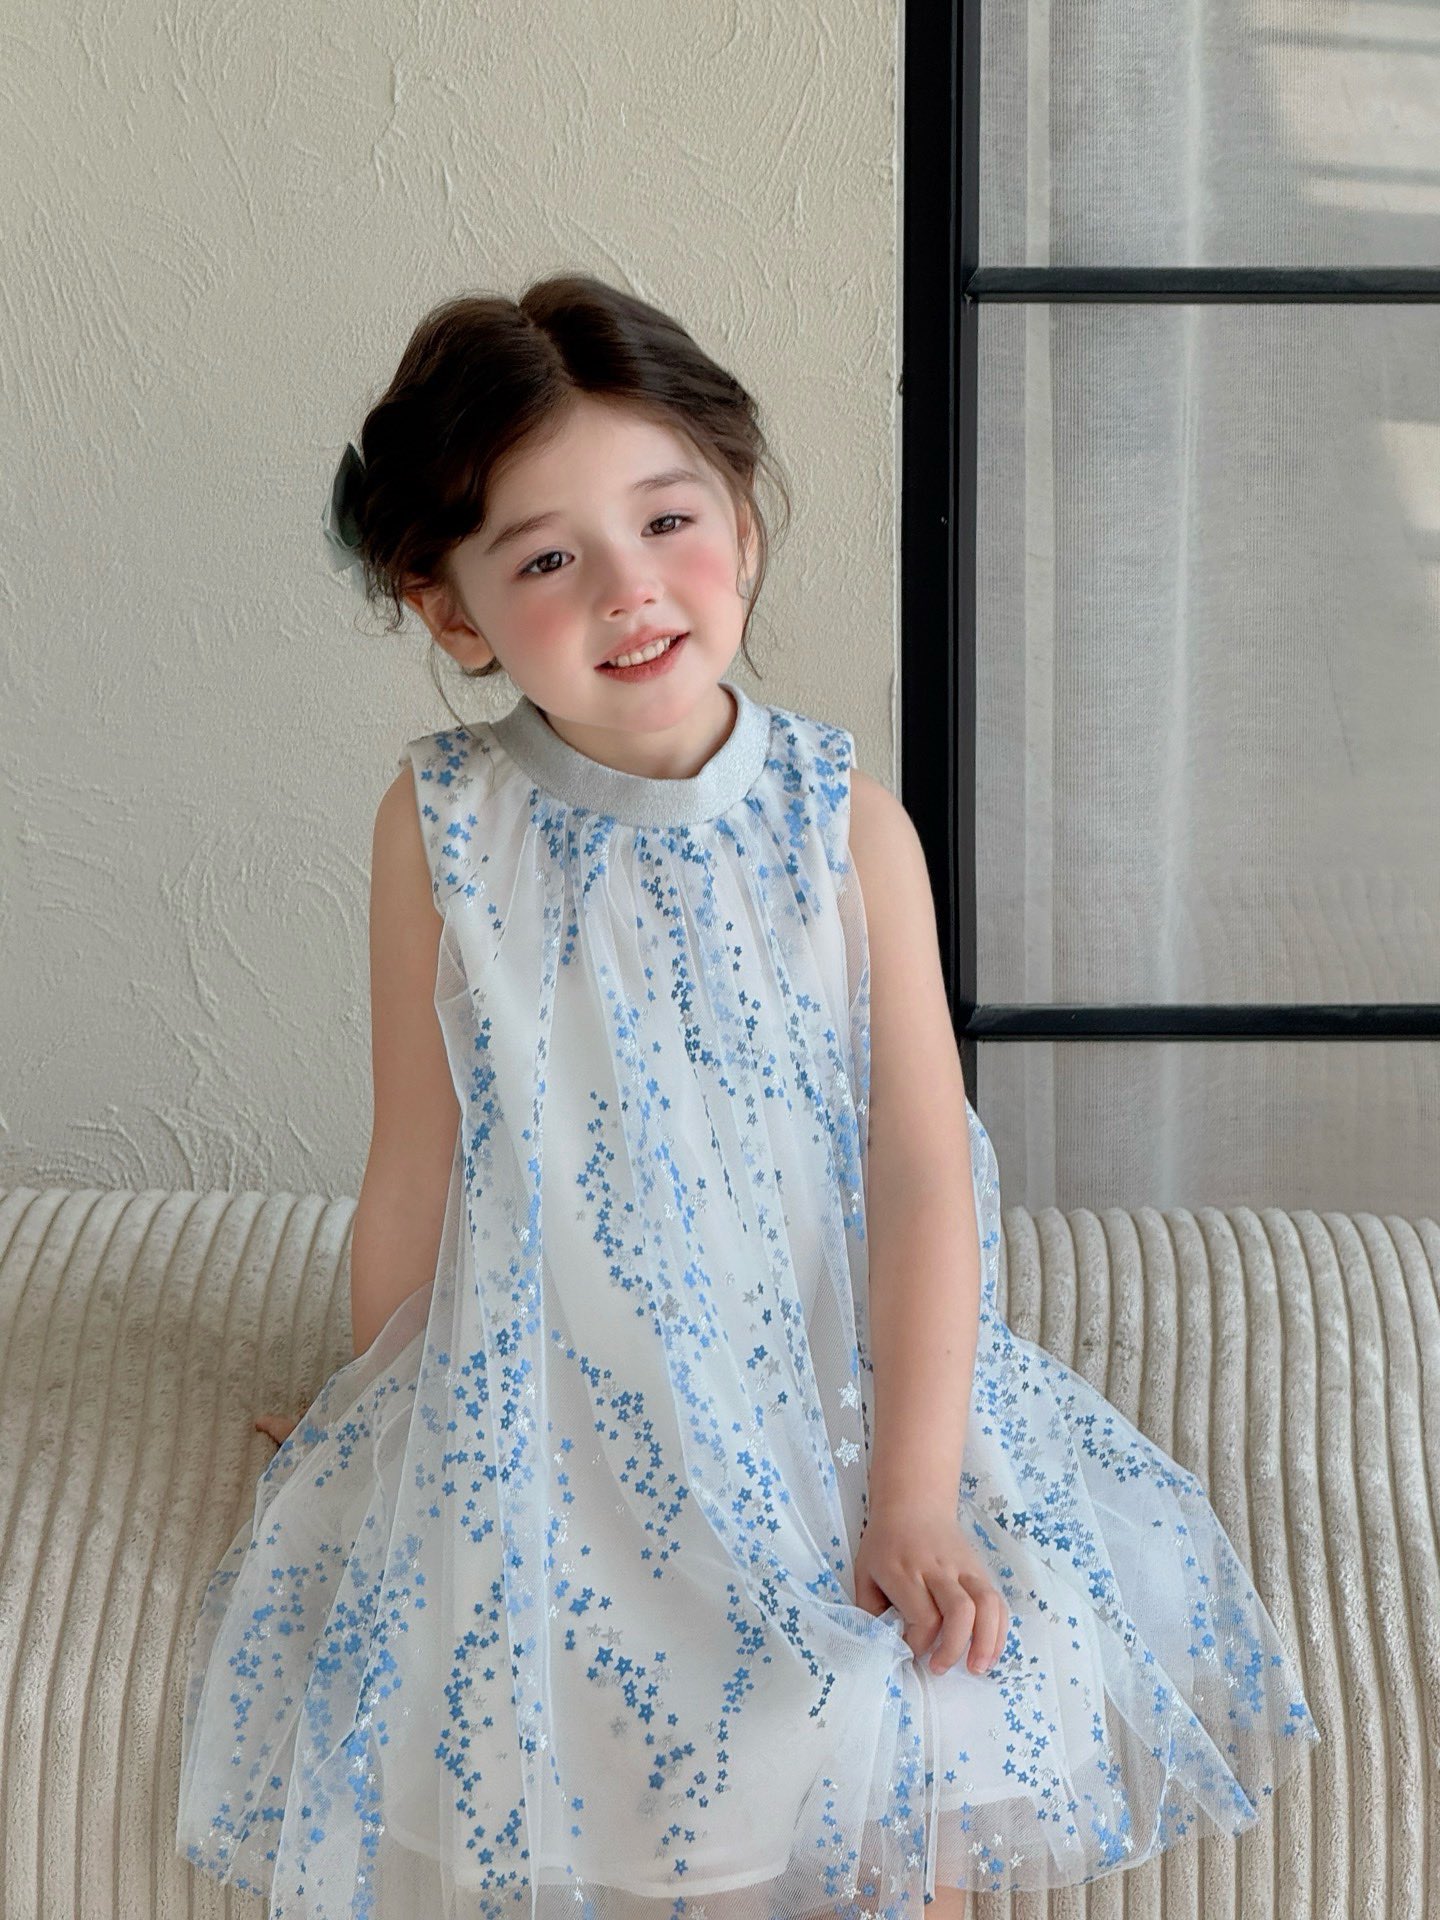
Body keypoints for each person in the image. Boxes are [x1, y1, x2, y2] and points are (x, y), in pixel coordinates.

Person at [175, 273, 1320, 1920]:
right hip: (568, 1391)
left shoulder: (841, 824)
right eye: (548, 559)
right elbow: (418, 1165)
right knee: (596, 1730)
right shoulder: (442, 828)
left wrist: (911, 1492)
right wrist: (378, 1414)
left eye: (669, 520)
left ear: (745, 523)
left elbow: (923, 1173)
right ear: (452, 610)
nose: (630, 589)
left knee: (898, 1696)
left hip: (828, 1368)